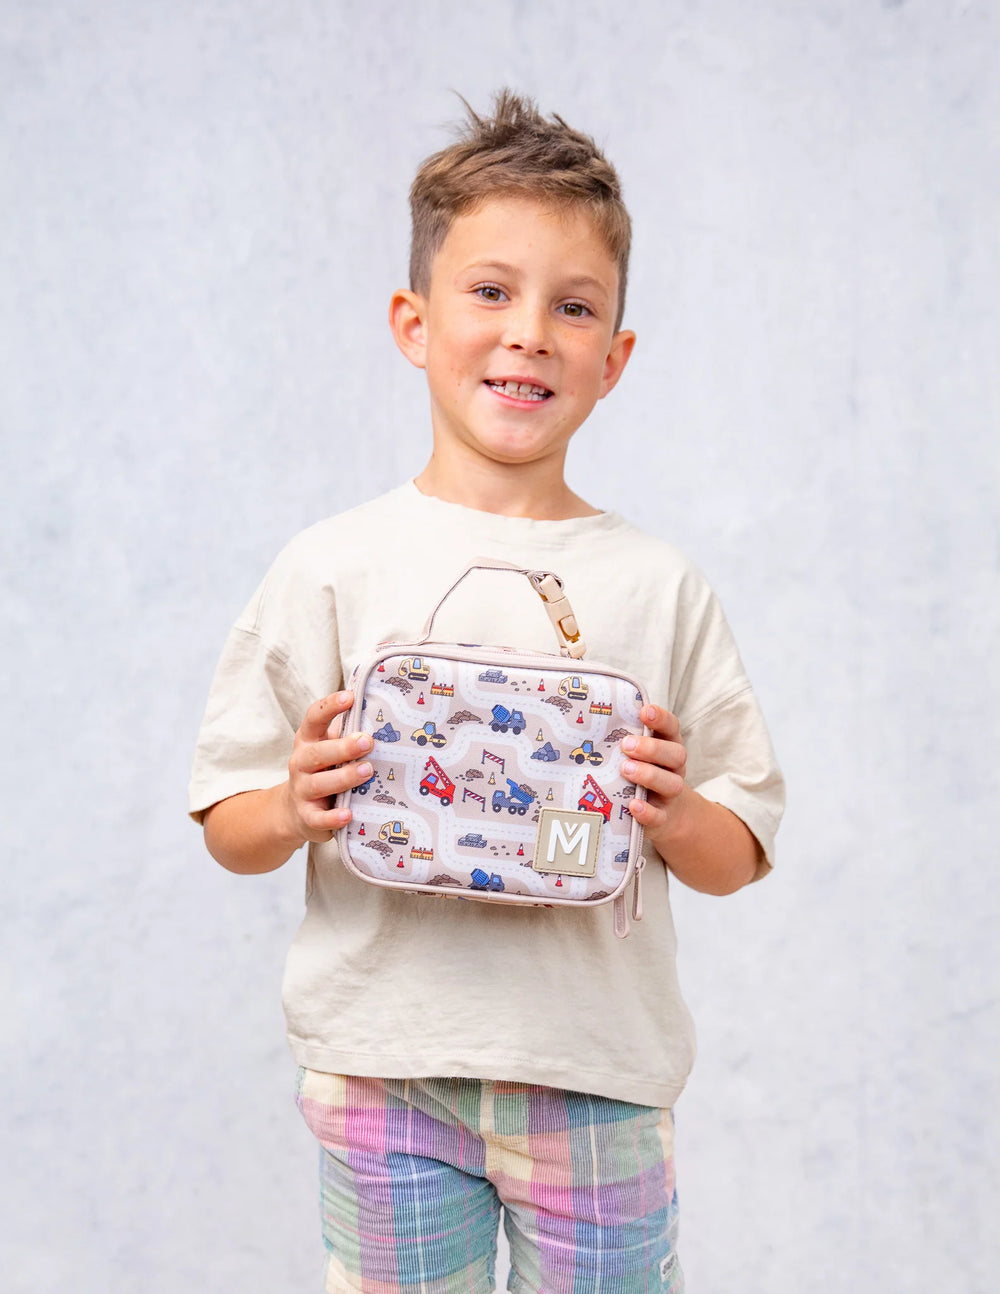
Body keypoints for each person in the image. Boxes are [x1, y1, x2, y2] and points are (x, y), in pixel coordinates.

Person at [189, 89, 784, 1294]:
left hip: (596, 1071)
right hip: (383, 1064)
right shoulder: (332, 566)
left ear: (614, 359)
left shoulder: (659, 586)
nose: (529, 334)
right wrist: (295, 804)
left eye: (574, 306)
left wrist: (672, 812)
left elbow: (739, 851)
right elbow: (227, 822)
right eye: (490, 291)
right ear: (414, 323)